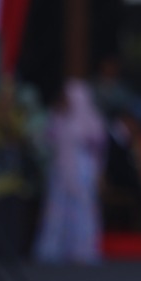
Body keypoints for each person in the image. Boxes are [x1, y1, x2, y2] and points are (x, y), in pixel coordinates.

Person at [34, 78, 108, 264]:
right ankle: (54, 248)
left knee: (82, 210)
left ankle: (82, 249)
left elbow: (98, 149)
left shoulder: (91, 120)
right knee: (57, 209)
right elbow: (46, 139)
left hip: (82, 169)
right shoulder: (58, 118)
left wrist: (98, 172)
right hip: (61, 169)